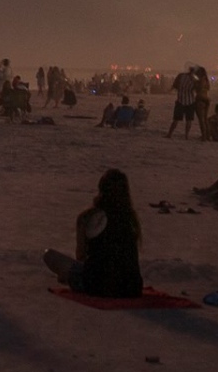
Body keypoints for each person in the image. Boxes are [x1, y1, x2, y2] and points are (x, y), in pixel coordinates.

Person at [43, 168, 144, 298]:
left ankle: (68, 277)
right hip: (131, 288)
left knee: (49, 255)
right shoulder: (130, 218)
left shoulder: (88, 216)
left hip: (97, 286)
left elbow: (81, 255)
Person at [166, 65, 199, 139]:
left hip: (180, 100)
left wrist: (170, 90)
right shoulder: (195, 79)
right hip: (190, 101)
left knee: (176, 119)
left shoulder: (181, 76)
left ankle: (170, 134)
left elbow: (174, 85)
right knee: (189, 120)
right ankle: (186, 136)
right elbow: (197, 89)